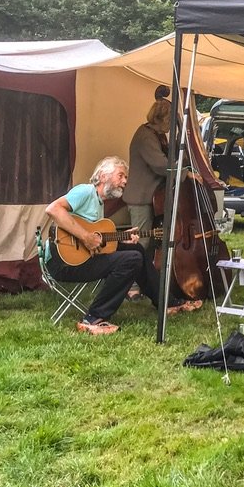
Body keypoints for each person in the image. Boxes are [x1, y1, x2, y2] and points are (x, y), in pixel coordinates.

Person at [44, 156, 201, 335]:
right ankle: (93, 318)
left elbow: (96, 241)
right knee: (131, 259)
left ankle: (166, 302)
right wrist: (86, 237)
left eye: (125, 177)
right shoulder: (85, 191)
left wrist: (119, 240)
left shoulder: (98, 202)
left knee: (136, 249)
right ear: (103, 176)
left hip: (79, 259)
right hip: (63, 263)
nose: (125, 181)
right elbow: (53, 209)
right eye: (121, 176)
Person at [123, 94, 172, 259]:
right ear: (159, 119)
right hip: (140, 199)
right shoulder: (146, 136)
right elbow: (161, 165)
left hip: (149, 197)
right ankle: (133, 272)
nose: (171, 125)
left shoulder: (155, 134)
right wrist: (184, 172)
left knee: (148, 243)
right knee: (140, 243)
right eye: (169, 120)